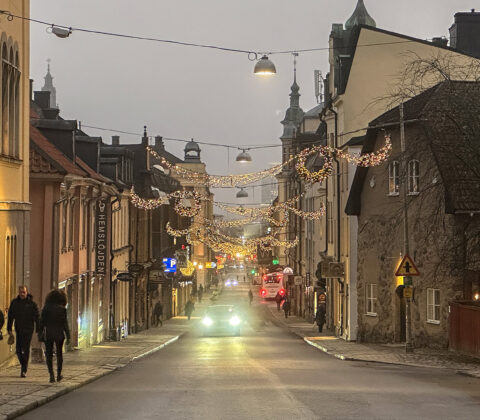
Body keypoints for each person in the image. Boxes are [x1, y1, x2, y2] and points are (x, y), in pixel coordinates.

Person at [7, 285, 40, 378]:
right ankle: (23, 364)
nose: (22, 294)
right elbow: (10, 316)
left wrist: (38, 328)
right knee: (18, 350)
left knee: (25, 349)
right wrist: (9, 329)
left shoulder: (32, 304)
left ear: (26, 292)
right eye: (20, 292)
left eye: (23, 292)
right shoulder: (14, 303)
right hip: (19, 329)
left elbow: (37, 316)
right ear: (18, 292)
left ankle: (24, 369)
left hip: (28, 329)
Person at [40, 289, 70, 383]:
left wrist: (40, 334)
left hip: (49, 333)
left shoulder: (46, 308)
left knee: (48, 354)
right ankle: (58, 374)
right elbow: (65, 324)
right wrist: (68, 336)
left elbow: (42, 322)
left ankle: (51, 375)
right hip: (59, 334)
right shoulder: (62, 309)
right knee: (59, 354)